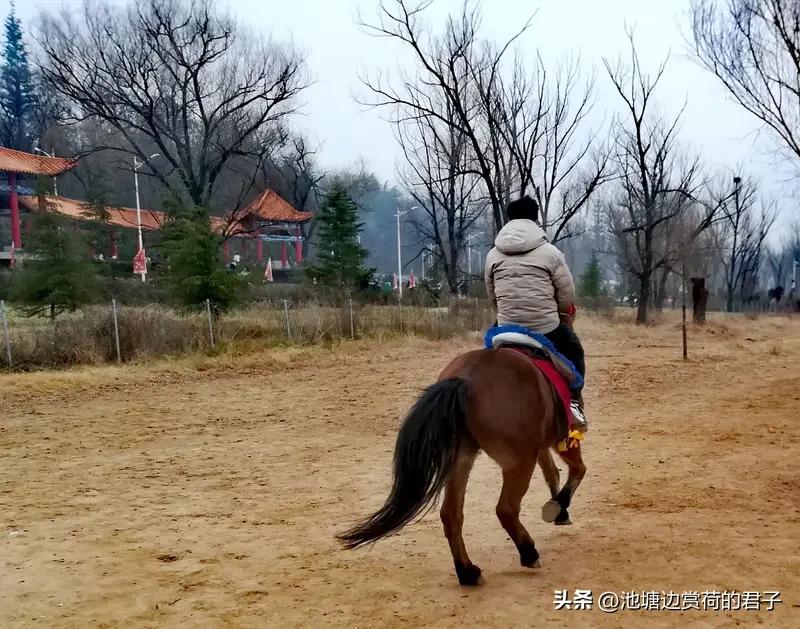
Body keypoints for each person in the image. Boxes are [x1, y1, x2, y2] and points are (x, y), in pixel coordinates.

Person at [484, 195, 588, 431]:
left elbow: (492, 294)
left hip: (506, 326)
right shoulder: (550, 253)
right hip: (545, 328)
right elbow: (566, 296)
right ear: (535, 217)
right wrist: (561, 313)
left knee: (487, 357)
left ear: (509, 219)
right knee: (574, 350)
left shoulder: (493, 255)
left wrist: (506, 314)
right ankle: (573, 403)